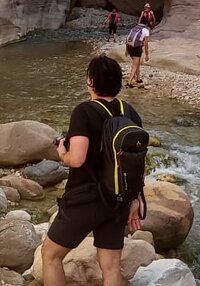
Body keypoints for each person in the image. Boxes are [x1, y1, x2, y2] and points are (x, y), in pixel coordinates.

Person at [42, 55, 145, 286]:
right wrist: (136, 198)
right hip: (117, 200)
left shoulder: (84, 111)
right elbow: (138, 162)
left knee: (51, 255)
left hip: (85, 198)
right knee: (110, 267)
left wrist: (61, 153)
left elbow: (77, 159)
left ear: (90, 81)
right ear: (118, 82)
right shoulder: (130, 113)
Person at [125, 17, 150, 87]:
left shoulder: (134, 28)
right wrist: (147, 54)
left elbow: (127, 38)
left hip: (130, 47)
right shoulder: (145, 30)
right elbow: (146, 43)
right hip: (137, 48)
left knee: (137, 63)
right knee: (135, 65)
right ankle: (129, 82)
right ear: (146, 23)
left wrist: (126, 50)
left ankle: (138, 78)